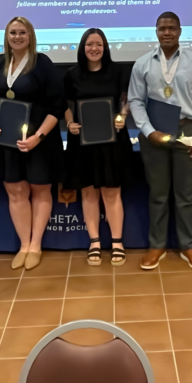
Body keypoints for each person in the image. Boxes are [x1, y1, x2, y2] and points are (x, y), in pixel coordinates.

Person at [129, 11, 192, 271]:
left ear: (180, 31)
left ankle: (188, 246)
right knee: (157, 194)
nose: (166, 32)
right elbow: (135, 100)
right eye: (161, 28)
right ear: (155, 31)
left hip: (186, 131)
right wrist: (147, 131)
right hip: (153, 134)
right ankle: (156, 245)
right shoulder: (142, 63)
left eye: (171, 28)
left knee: (185, 195)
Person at [0, 17, 64, 271]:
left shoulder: (43, 64)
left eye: (22, 32)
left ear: (30, 36)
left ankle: (36, 245)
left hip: (38, 141)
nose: (17, 37)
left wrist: (37, 137)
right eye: (12, 33)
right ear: (6, 36)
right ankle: (23, 244)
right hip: (6, 142)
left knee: (40, 191)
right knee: (16, 192)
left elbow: (57, 107)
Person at [64, 28, 133, 267]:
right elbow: (67, 104)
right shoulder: (72, 74)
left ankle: (117, 242)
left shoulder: (118, 72)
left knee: (112, 192)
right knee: (88, 192)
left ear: (105, 47)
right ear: (83, 48)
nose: (94, 48)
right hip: (83, 142)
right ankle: (94, 241)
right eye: (89, 44)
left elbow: (125, 100)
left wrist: (123, 116)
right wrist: (70, 122)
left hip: (112, 141)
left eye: (99, 44)